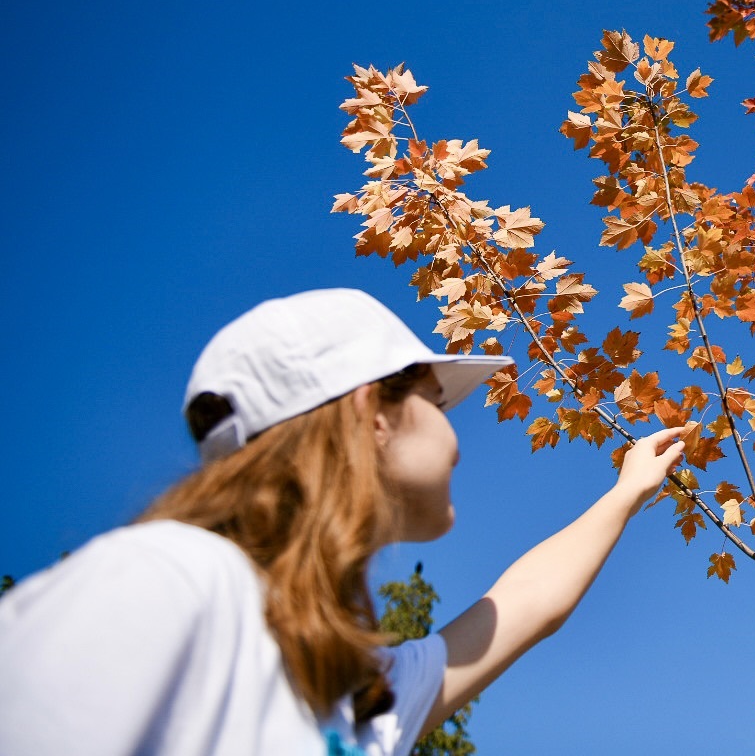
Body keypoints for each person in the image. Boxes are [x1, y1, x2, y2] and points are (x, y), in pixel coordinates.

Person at [0, 288, 685, 755]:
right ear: (371, 414)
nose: (455, 437)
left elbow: (527, 605)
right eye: (435, 402)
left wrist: (625, 492)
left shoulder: (357, 702)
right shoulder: (173, 580)